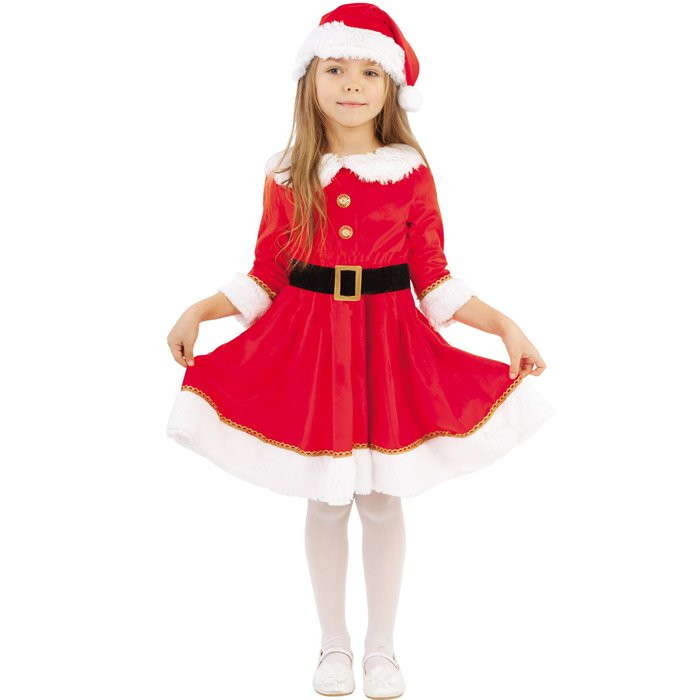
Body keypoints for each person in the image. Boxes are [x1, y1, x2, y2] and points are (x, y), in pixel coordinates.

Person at [165, 3, 556, 697]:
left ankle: (382, 649)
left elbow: (433, 277)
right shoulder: (286, 174)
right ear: (309, 80)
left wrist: (502, 326)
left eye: (369, 72)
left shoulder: (410, 173)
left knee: (379, 499)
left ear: (391, 86)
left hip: (387, 347)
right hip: (311, 348)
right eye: (337, 69)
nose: (352, 83)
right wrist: (201, 310)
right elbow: (266, 274)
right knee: (326, 501)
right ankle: (333, 645)